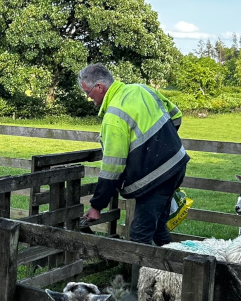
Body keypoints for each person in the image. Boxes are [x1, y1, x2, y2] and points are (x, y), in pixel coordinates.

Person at [80, 63, 189, 246]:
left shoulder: (114, 116)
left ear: (100, 87)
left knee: (140, 235)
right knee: (158, 227)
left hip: (156, 178)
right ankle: (173, 272)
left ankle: (140, 275)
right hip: (177, 164)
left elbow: (112, 168)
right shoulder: (141, 89)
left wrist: (96, 206)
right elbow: (176, 116)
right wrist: (162, 145)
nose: (88, 98)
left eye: (88, 93)